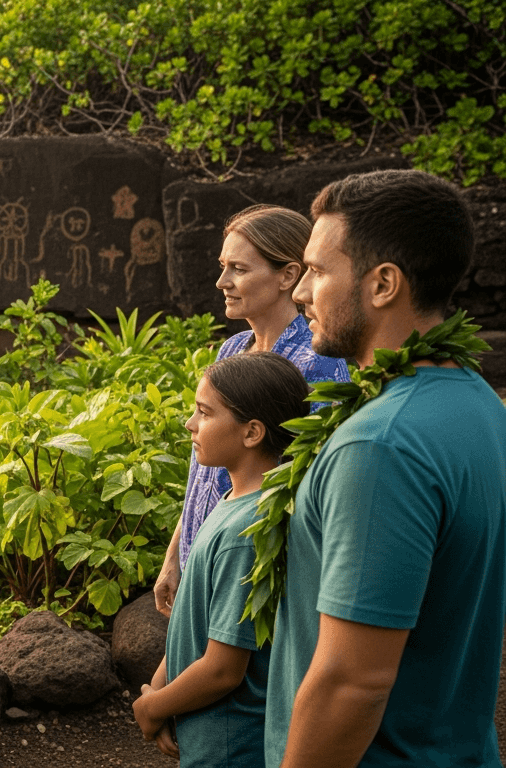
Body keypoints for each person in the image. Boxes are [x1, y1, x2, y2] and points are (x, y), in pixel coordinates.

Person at [265, 169, 506, 766]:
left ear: (383, 284)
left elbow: (354, 683)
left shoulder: (379, 445)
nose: (299, 292)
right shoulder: (479, 402)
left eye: (318, 271)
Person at [154, 205, 349, 618]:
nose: (222, 282)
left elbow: (314, 486)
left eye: (239, 269)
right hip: (204, 555)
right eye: (224, 266)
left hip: (254, 572)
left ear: (287, 275)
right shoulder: (232, 348)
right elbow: (202, 468)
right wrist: (176, 554)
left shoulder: (318, 364)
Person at [134, 352, 310, 767]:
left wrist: (153, 708)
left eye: (204, 413)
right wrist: (159, 688)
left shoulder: (247, 532)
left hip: (231, 745)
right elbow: (199, 623)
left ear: (251, 432)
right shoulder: (234, 501)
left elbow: (223, 669)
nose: (190, 424)